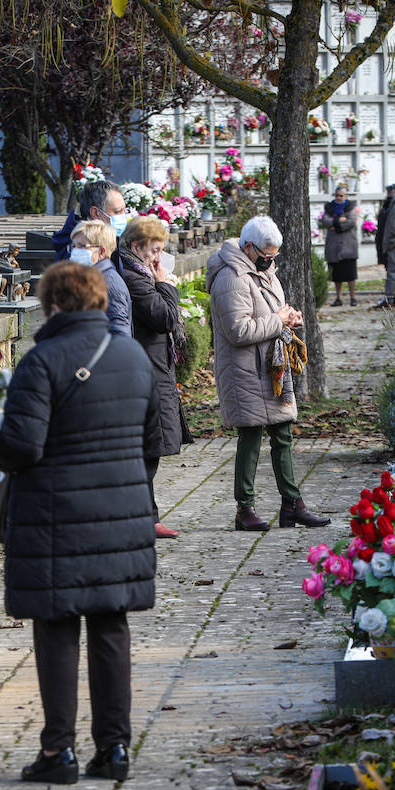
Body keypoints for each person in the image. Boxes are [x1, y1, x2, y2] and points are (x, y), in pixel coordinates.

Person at [0, 261, 158, 785]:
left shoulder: (42, 361)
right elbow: (151, 439)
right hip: (122, 514)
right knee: (111, 628)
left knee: (57, 631)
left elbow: (20, 447)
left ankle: (58, 751)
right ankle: (115, 749)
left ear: (53, 304)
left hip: (55, 516)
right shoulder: (131, 355)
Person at [205, 215, 331, 532]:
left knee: (283, 432)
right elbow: (238, 330)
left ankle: (292, 504)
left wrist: (288, 318)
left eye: (274, 255)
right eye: (267, 255)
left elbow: (271, 314)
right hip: (244, 370)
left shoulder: (265, 271)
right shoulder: (230, 277)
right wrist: (278, 320)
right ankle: (244, 509)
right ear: (249, 248)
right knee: (250, 435)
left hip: (271, 366)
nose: (271, 261)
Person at [118, 216, 193, 540]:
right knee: (147, 448)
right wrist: (166, 285)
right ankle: (143, 517)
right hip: (146, 367)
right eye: (155, 250)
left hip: (154, 366)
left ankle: (147, 516)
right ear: (137, 247)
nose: (159, 258)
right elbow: (163, 317)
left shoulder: (139, 272)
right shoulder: (136, 278)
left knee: (150, 448)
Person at [69, 220, 130, 336]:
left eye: (82, 246)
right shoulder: (89, 278)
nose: (75, 251)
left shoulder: (109, 284)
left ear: (102, 251)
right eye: (74, 246)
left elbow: (121, 334)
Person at [52, 180, 129, 261]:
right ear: (95, 213)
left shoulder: (108, 238)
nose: (123, 216)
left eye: (124, 211)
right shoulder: (79, 252)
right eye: (117, 211)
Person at [320, 186, 359, 307]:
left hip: (348, 246)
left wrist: (334, 225)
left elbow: (351, 222)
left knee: (350, 275)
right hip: (334, 247)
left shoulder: (351, 207)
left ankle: (353, 297)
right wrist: (339, 220)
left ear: (345, 196)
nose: (339, 198)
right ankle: (338, 297)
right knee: (336, 276)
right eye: (337, 195)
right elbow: (325, 220)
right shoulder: (329, 207)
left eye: (341, 195)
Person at [373, 187, 395, 270]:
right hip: (383, 239)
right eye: (388, 191)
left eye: (391, 191)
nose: (389, 193)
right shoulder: (385, 205)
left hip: (392, 241)